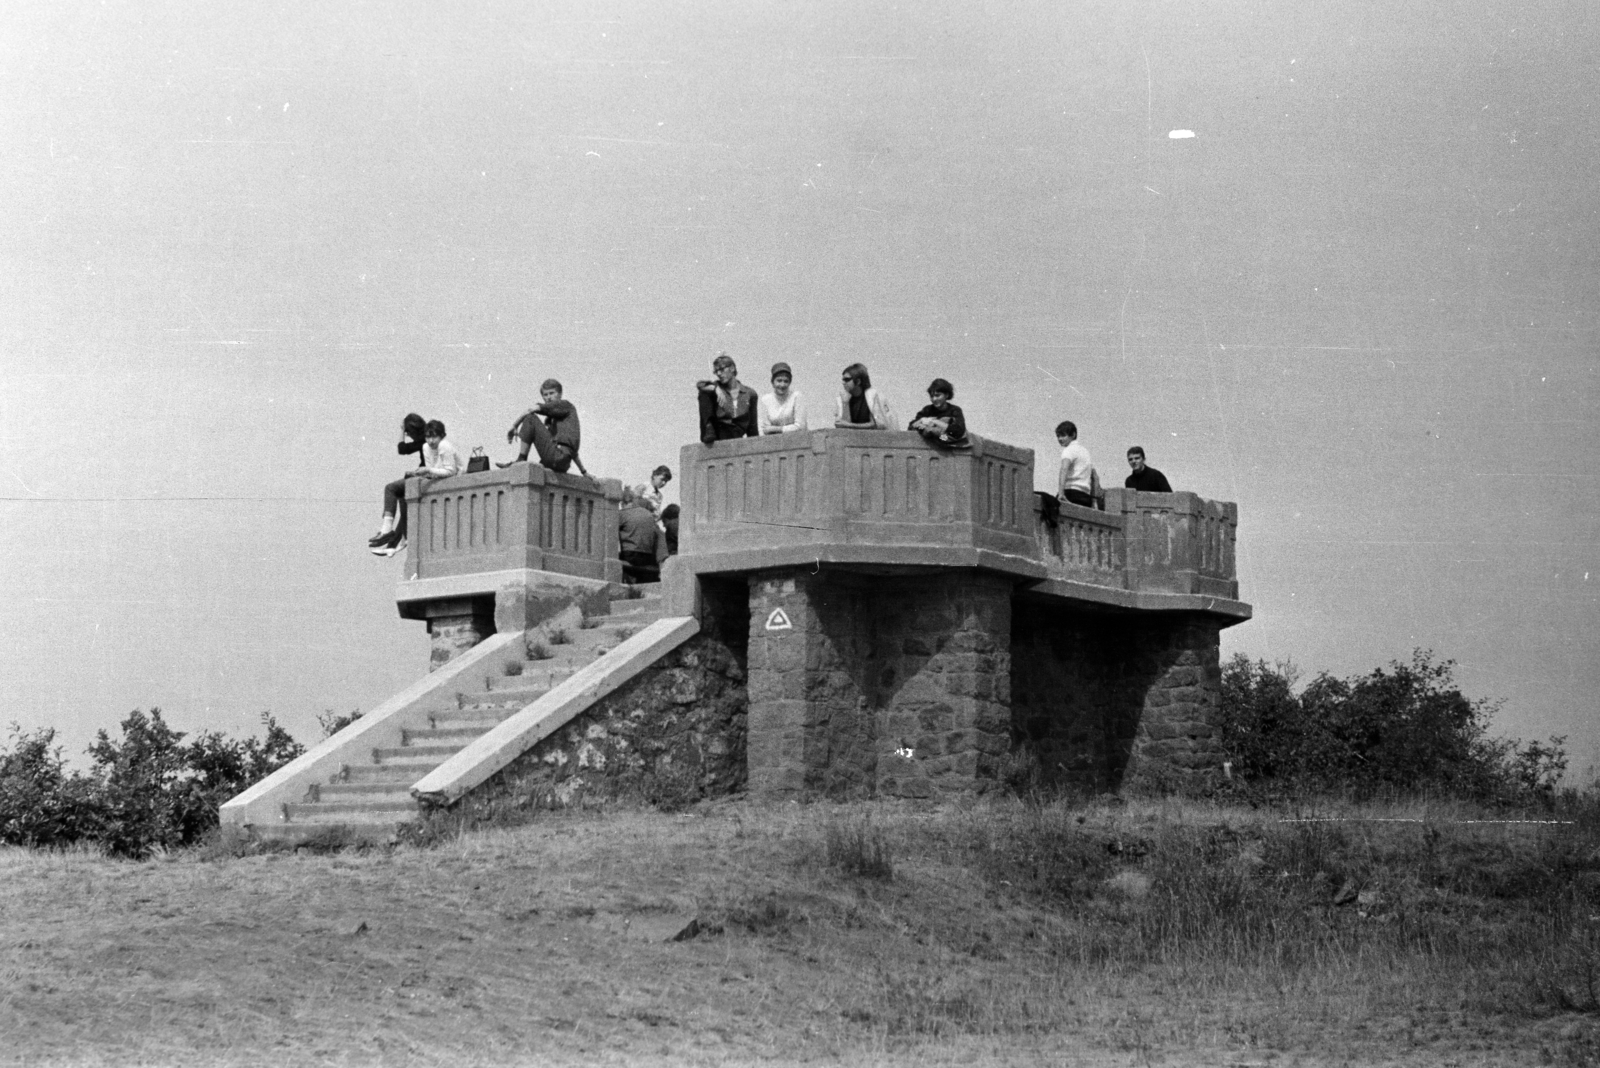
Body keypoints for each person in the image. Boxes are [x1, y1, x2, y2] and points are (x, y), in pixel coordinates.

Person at [371, 419, 461, 556]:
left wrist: (427, 471)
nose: (431, 441)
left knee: (391, 488)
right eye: (428, 437)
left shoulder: (444, 446)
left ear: (442, 436)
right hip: (436, 480)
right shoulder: (426, 447)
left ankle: (390, 533)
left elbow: (451, 471)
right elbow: (433, 469)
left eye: (434, 437)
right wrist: (419, 472)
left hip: (450, 482)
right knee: (401, 491)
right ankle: (397, 539)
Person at [501, 379, 581, 472]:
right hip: (562, 462)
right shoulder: (554, 420)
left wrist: (515, 425)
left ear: (560, 394)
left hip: (558, 456)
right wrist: (584, 471)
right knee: (533, 471)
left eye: (552, 393)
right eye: (545, 395)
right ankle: (518, 466)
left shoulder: (565, 405)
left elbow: (531, 410)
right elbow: (572, 450)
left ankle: (521, 459)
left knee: (530, 418)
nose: (549, 397)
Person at [697, 353, 759, 443]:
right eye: (716, 371)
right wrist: (715, 388)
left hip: (736, 433)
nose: (718, 373)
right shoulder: (716, 388)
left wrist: (755, 444)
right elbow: (701, 385)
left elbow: (753, 426)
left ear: (732, 368)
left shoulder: (750, 393)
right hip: (719, 432)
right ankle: (708, 428)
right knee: (704, 393)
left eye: (722, 369)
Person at [908, 377, 970, 448]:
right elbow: (911, 427)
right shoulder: (927, 410)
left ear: (946, 395)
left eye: (937, 395)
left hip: (948, 442)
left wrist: (934, 422)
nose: (934, 399)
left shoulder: (955, 410)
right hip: (930, 444)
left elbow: (958, 431)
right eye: (932, 396)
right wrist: (922, 421)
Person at [618, 486, 661, 582]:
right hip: (647, 557)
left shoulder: (622, 513)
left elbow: (613, 531)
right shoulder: (648, 514)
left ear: (622, 502)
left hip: (631, 556)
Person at [833, 362, 893, 429]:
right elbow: (842, 426)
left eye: (847, 380)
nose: (843, 383)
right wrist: (845, 404)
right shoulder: (845, 399)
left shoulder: (872, 397)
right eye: (843, 380)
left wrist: (849, 425)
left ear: (858, 381)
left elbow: (877, 425)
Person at [758, 361, 808, 434]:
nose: (782, 385)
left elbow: (800, 426)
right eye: (779, 381)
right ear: (772, 382)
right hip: (774, 442)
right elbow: (763, 429)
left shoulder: (796, 396)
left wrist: (777, 429)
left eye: (786, 381)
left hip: (797, 440)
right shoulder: (765, 400)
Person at [1055, 420, 1096, 509]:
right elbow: (1094, 477)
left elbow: (1064, 469)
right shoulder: (1086, 452)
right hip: (1085, 497)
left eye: (1063, 435)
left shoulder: (1069, 449)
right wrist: (1094, 500)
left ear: (1073, 435)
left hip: (1071, 493)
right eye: (1058, 436)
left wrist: (1061, 493)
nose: (1060, 439)